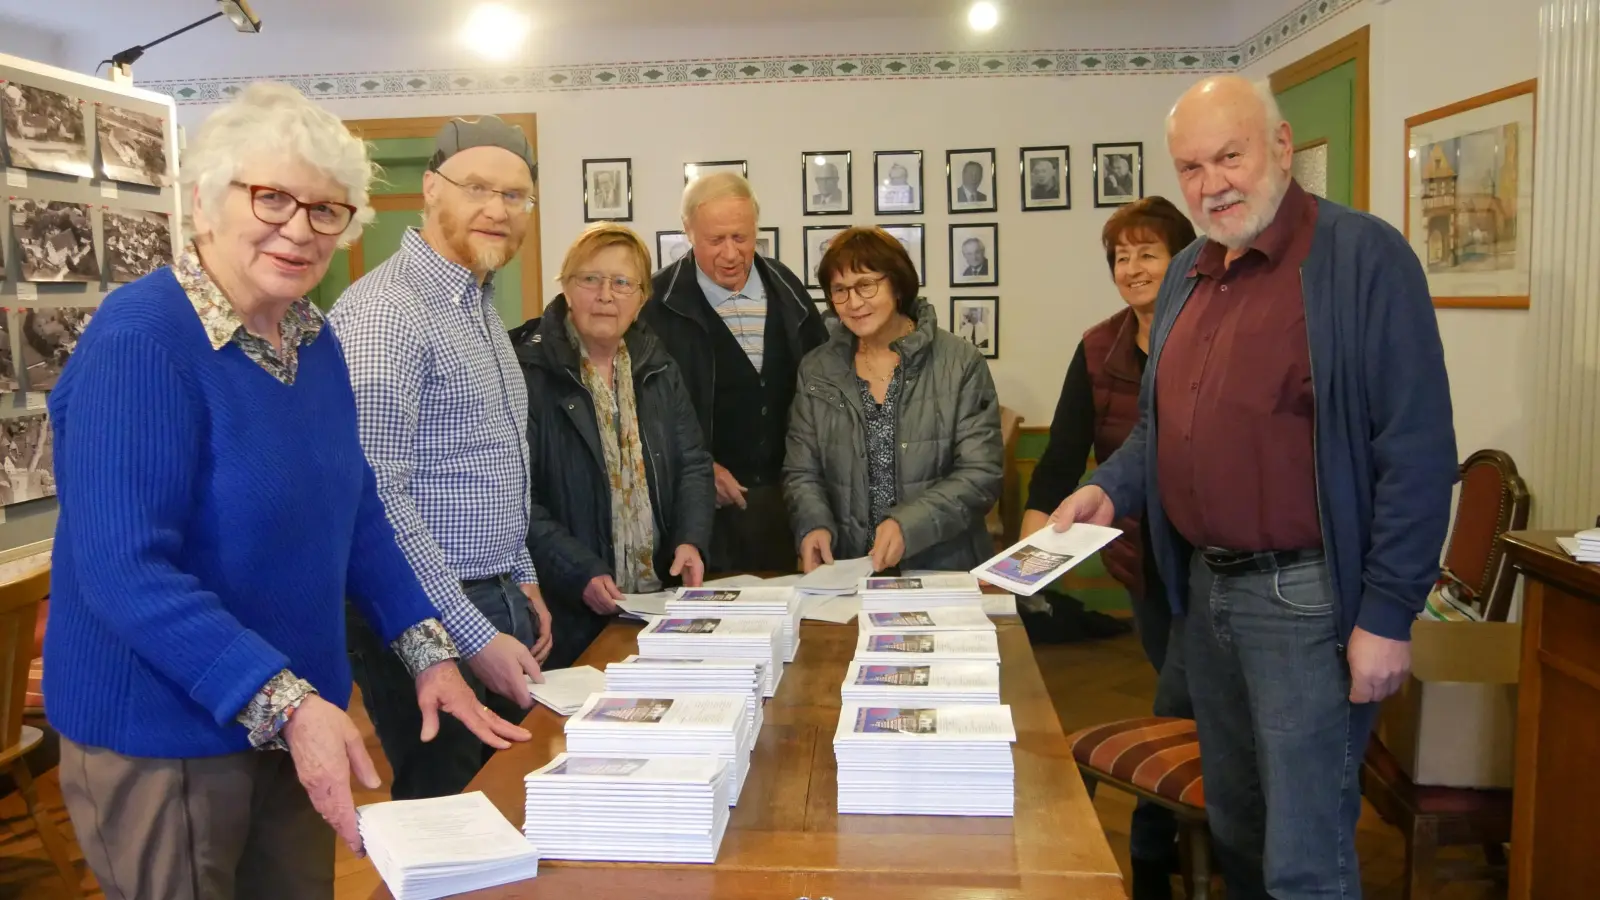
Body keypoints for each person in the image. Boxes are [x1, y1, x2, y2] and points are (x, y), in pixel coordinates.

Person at [42, 83, 530, 900]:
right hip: (169, 738)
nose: (299, 228)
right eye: (272, 197)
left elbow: (360, 508)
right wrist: (289, 704)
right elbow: (127, 571)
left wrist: (427, 648)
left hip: (294, 723)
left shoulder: (314, 335)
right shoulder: (141, 339)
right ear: (204, 200)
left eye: (327, 209)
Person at [1053, 75, 1456, 899]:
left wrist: (1387, 615)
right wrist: (1110, 490)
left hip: (1306, 600)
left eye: (1228, 156)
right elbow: (1166, 428)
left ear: (1279, 147)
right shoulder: (1189, 274)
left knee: (1302, 851)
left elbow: (1415, 452)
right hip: (1206, 596)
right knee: (1236, 823)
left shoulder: (1362, 260)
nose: (1211, 184)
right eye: (1191, 168)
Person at [329, 114, 551, 801]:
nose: (498, 209)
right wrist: (472, 633)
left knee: (510, 802)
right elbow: (377, 497)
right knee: (455, 815)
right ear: (430, 189)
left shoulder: (476, 301)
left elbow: (495, 458)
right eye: (477, 187)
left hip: (495, 593)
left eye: (515, 196)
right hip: (425, 615)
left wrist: (525, 575)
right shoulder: (386, 312)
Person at [1023, 196, 1198, 899]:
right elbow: (1062, 454)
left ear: (1183, 258)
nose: (1132, 267)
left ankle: (1165, 848)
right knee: (1177, 704)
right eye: (1120, 256)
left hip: (1220, 565)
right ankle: (1167, 848)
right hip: (1145, 564)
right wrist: (1031, 546)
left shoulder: (1213, 334)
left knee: (1181, 707)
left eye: (1146, 252)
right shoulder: (1099, 346)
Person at [511, 223, 715, 668]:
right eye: (590, 279)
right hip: (566, 614)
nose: (606, 295)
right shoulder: (528, 372)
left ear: (642, 299)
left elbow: (694, 464)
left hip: (657, 604)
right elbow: (516, 500)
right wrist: (578, 570)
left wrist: (691, 540)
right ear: (566, 287)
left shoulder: (659, 366)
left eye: (622, 283)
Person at [785, 226, 1002, 573]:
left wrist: (908, 525)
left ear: (897, 284)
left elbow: (981, 473)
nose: (854, 303)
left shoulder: (960, 363)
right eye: (840, 290)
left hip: (942, 565)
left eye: (866, 285)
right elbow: (802, 471)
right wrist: (813, 525)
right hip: (849, 568)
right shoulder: (817, 369)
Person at [641, 173, 828, 573]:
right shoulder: (655, 305)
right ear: (688, 232)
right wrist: (697, 467)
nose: (730, 253)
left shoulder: (788, 287)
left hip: (788, 506)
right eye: (715, 240)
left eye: (741, 238)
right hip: (701, 514)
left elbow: (823, 385)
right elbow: (642, 413)